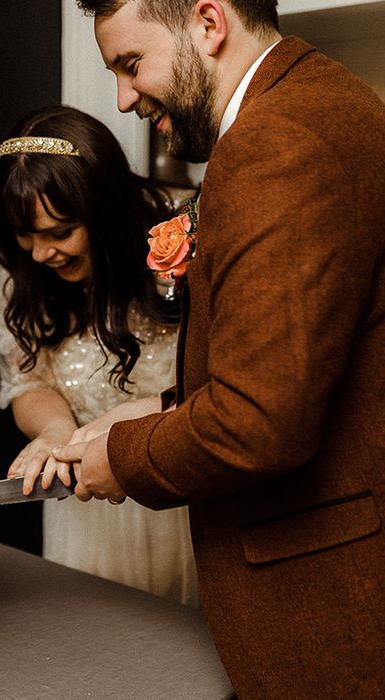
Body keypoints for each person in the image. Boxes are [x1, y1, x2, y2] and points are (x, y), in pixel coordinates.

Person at [54, 1, 385, 697]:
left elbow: (258, 425)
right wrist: (161, 406)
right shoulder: (328, 96)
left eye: (131, 64)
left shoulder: (275, 141)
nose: (123, 97)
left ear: (208, 23)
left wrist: (123, 456)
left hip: (332, 606)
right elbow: (306, 359)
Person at [0, 104, 199, 605]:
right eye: (25, 234)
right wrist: (57, 432)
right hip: (83, 507)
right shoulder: (19, 272)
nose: (40, 254)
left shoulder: (179, 236)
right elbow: (27, 382)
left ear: (105, 211)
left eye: (60, 233)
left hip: (180, 498)